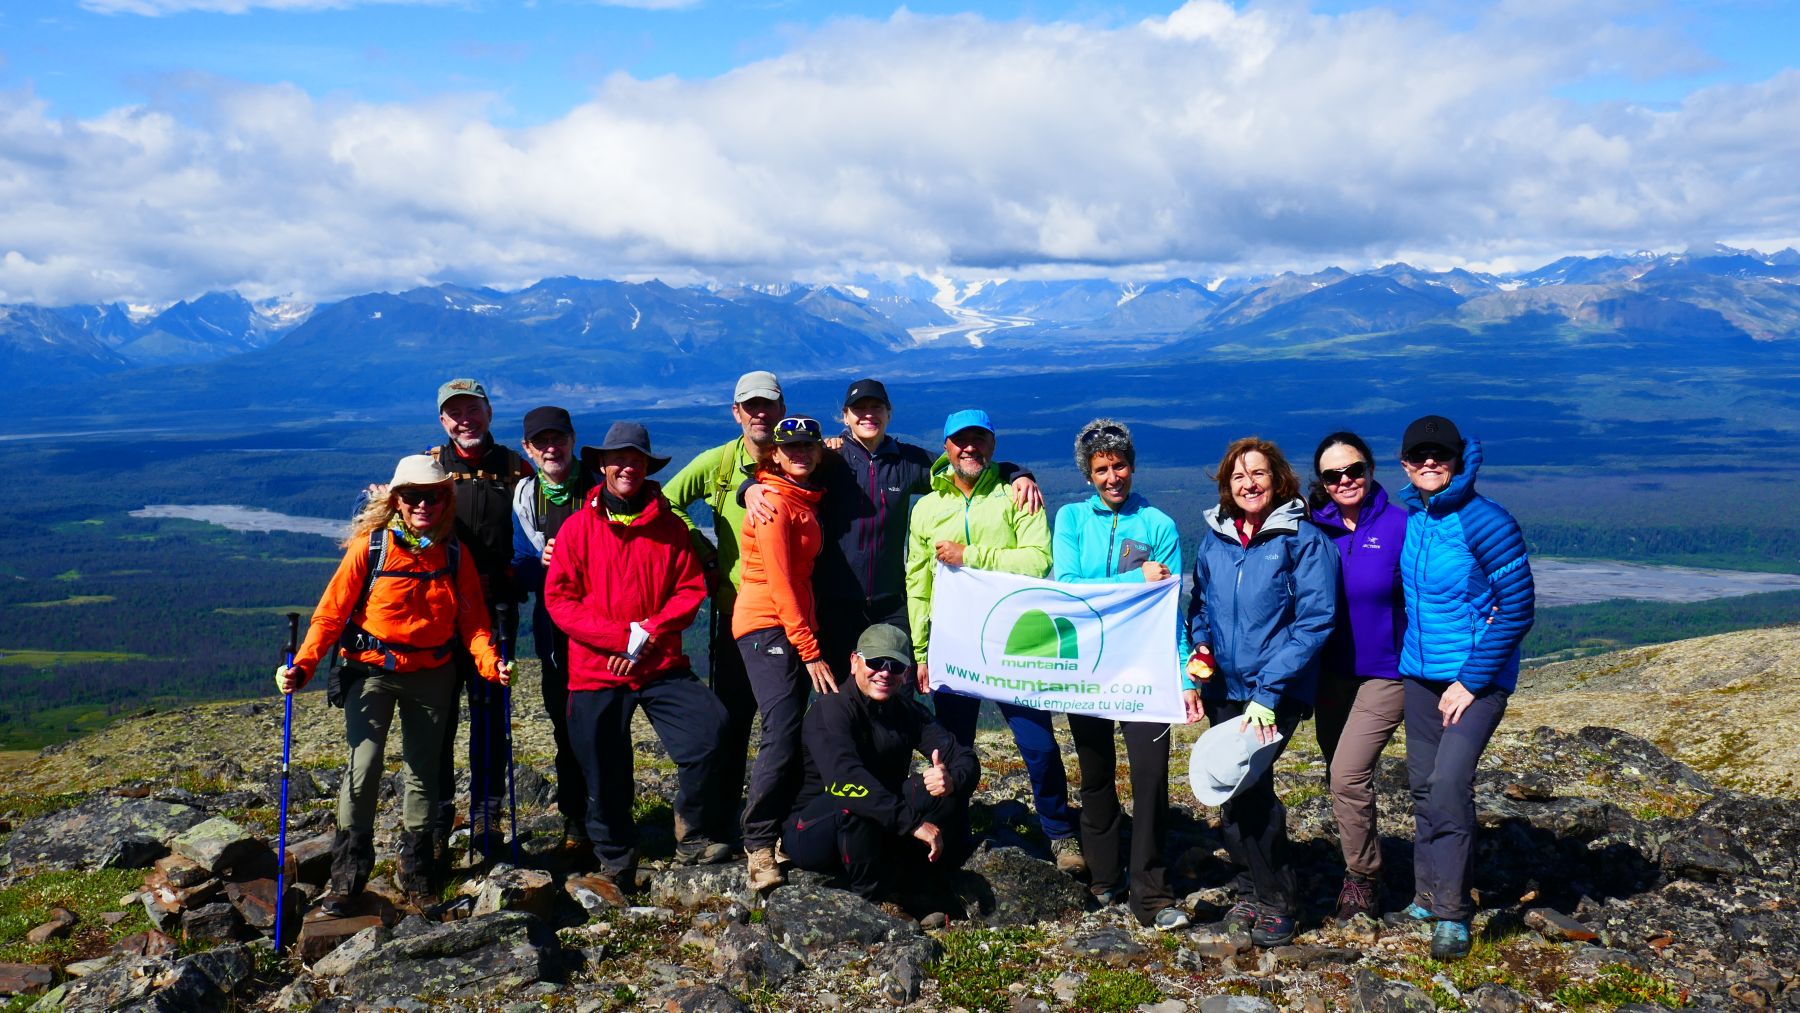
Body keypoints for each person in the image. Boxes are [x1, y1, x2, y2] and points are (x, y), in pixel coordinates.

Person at [276, 454, 511, 913]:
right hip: (370, 672)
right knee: (363, 768)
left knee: (423, 774)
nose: (423, 504)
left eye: (434, 495)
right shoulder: (372, 547)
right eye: (413, 496)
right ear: (397, 501)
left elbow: (474, 623)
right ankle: (348, 877)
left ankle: (417, 872)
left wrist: (489, 663)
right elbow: (331, 613)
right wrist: (301, 666)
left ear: (446, 499)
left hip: (432, 673)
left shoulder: (454, 551)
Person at [544, 422, 731, 881]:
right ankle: (616, 857)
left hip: (658, 663)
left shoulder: (669, 527)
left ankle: (691, 829)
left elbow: (689, 590)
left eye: (637, 460)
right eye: (619, 459)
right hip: (596, 668)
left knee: (711, 731)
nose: (628, 467)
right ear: (603, 466)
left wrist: (646, 634)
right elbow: (559, 600)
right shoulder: (576, 529)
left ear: (647, 467)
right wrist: (617, 640)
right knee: (602, 766)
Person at [907, 409, 1083, 873]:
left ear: (993, 445)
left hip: (1013, 644)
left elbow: (1037, 560)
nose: (970, 449)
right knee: (954, 749)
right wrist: (922, 652)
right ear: (945, 448)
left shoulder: (1017, 495)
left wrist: (971, 556)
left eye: (979, 440)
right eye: (960, 441)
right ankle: (954, 830)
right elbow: (918, 583)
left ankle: (1061, 835)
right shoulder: (926, 508)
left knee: (1039, 745)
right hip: (954, 644)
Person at [1390, 415, 1535, 960]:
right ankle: (1428, 893)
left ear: (1458, 459)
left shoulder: (1487, 520)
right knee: (1425, 785)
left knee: (1450, 782)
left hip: (1475, 681)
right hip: (1420, 676)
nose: (1430, 463)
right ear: (1405, 463)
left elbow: (1518, 606)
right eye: (1419, 455)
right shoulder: (1417, 518)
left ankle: (1453, 912)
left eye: (1441, 454)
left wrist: (1470, 681)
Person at [1184, 437, 1337, 947]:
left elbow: (1315, 622)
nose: (1249, 484)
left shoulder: (1302, 540)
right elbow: (1200, 603)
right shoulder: (1217, 538)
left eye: (1259, 474)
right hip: (1225, 687)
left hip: (1275, 692)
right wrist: (1202, 648)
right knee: (1231, 788)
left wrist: (1269, 691)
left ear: (1279, 480)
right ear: (1227, 486)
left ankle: (1278, 900)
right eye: (1238, 476)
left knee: (1254, 791)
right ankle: (1252, 885)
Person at [1051, 418, 1190, 930]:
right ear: (1088, 475)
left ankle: (1151, 893)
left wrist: (1185, 676)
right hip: (1087, 668)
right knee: (1095, 776)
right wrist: (1135, 578)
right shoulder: (1069, 520)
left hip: (1145, 669)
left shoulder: (1159, 527)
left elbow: (1173, 609)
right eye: (1101, 468)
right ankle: (1106, 878)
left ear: (1133, 465)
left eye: (1120, 465)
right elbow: (1067, 588)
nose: (1113, 477)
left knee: (1151, 778)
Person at [813, 378, 1043, 684]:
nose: (869, 414)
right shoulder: (828, 459)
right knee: (842, 693)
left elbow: (965, 464)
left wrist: (1017, 472)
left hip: (891, 600)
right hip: (836, 600)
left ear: (889, 413)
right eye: (860, 409)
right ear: (845, 416)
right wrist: (749, 487)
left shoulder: (908, 460)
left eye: (876, 407)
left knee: (898, 689)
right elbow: (780, 470)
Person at [662, 370, 786, 848]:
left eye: (768, 405)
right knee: (733, 720)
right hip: (738, 612)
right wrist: (704, 550)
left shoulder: (800, 454)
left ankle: (775, 815)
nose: (759, 413)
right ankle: (720, 819)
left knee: (785, 723)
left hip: (792, 614)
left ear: (781, 409)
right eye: (750, 406)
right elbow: (668, 501)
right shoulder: (717, 464)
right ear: (736, 413)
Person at [781, 623, 978, 909]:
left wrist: (952, 781)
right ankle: (874, 903)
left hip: (878, 822)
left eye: (895, 666)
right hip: (812, 831)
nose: (884, 672)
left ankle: (916, 880)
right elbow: (844, 780)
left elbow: (964, 757)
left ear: (906, 673)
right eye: (874, 662)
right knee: (855, 800)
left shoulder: (907, 712)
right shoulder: (832, 709)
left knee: (937, 788)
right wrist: (911, 823)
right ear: (854, 662)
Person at [427, 378, 532, 863]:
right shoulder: (427, 468)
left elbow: (539, 531)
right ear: (443, 420)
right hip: (440, 615)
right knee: (439, 719)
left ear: (489, 413)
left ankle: (487, 820)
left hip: (495, 612)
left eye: (474, 410)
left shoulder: (516, 468)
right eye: (455, 413)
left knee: (491, 720)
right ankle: (437, 818)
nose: (465, 419)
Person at [1307, 431, 1409, 922]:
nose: (1345, 480)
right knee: (1339, 773)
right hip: (1331, 674)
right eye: (1333, 475)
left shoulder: (1401, 524)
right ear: (1321, 483)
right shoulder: (1311, 528)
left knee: (1348, 773)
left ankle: (1361, 877)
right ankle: (1363, 853)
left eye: (1354, 470)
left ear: (1370, 470)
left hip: (1386, 673)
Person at [733, 415, 830, 890]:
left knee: (796, 726)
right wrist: (810, 649)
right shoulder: (773, 502)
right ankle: (758, 844)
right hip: (766, 625)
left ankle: (788, 829)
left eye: (808, 446)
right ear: (773, 453)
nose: (799, 453)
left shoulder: (800, 495)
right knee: (781, 729)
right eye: (789, 447)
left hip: (788, 626)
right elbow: (779, 582)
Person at [510, 405, 600, 855]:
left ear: (571, 438)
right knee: (565, 724)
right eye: (540, 441)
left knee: (607, 722)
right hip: (556, 631)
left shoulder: (601, 484)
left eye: (558, 438)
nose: (551, 447)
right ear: (527, 449)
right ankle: (575, 820)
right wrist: (538, 566)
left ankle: (608, 816)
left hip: (605, 626)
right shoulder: (527, 496)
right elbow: (520, 564)